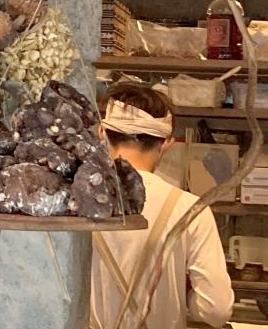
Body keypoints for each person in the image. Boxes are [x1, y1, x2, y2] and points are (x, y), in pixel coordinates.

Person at [90, 82, 234, 329]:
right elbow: (216, 310)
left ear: (102, 132)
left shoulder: (75, 203)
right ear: (167, 142)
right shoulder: (191, 210)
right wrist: (183, 297)